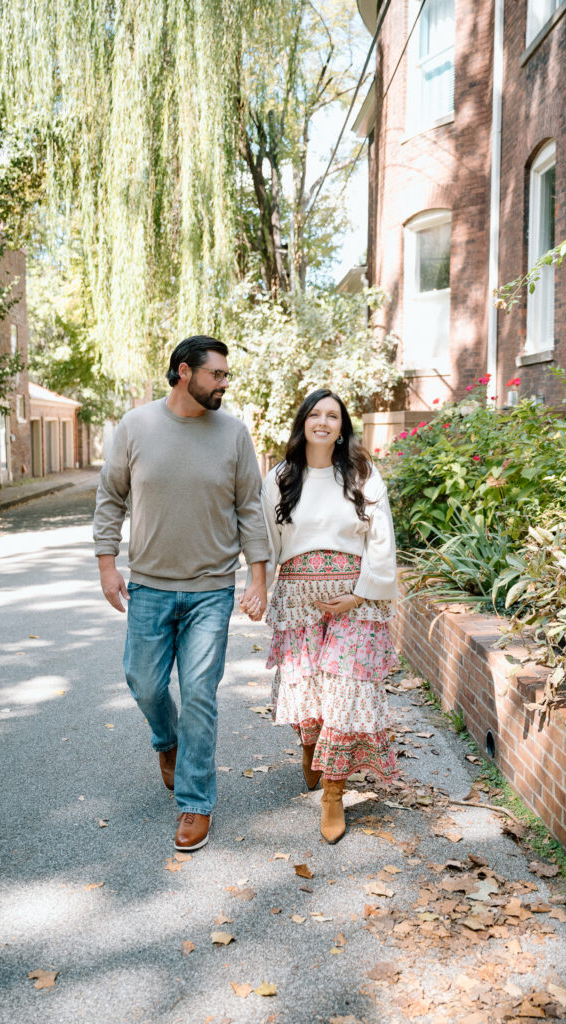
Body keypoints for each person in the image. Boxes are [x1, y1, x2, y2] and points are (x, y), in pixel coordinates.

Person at [93, 335, 269, 852]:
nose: (224, 383)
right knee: (144, 683)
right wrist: (108, 566)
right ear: (184, 371)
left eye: (225, 375)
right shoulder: (136, 426)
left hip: (212, 589)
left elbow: (251, 510)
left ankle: (195, 803)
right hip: (149, 584)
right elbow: (111, 498)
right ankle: (165, 742)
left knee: (198, 693)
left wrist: (258, 577)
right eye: (216, 374)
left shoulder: (234, 434)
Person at [260, 388, 400, 844]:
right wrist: (258, 584)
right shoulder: (280, 478)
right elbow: (264, 541)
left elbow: (382, 538)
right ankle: (309, 746)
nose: (323, 421)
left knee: (345, 694)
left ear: (343, 428)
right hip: (299, 601)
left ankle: (334, 795)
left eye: (333, 416)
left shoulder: (362, 474)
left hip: (354, 603)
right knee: (310, 695)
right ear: (303, 422)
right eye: (315, 414)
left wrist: (360, 594)